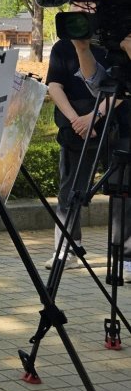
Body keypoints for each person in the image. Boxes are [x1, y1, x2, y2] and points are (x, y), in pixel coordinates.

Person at [66, 31, 131, 277]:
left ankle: (127, 258)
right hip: (117, 131)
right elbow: (99, 86)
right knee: (120, 194)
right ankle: (122, 258)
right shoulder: (112, 40)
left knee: (125, 197)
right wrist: (83, 50)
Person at [44, 30, 111, 269]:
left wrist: (95, 116)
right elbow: (54, 85)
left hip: (115, 124)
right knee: (70, 190)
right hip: (76, 129)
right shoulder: (63, 46)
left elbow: (124, 86)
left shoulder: (115, 41)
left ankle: (126, 257)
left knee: (124, 190)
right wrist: (77, 120)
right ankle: (66, 250)